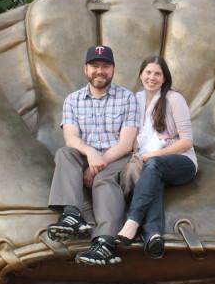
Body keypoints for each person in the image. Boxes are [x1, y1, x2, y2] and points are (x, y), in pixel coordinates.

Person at [47, 45, 139, 266]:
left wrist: (98, 164)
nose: (100, 70)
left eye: (105, 66)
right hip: (85, 155)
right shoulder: (73, 100)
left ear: (113, 69)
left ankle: (105, 241)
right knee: (64, 153)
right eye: (94, 66)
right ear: (85, 69)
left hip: (117, 158)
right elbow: (71, 138)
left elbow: (126, 143)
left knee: (103, 178)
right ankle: (71, 214)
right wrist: (90, 154)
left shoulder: (127, 98)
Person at [116, 56, 197, 259]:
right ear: (141, 74)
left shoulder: (173, 99)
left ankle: (132, 221)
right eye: (148, 72)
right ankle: (153, 235)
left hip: (181, 161)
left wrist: (154, 154)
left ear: (164, 78)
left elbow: (187, 142)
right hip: (150, 164)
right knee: (152, 178)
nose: (152, 77)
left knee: (153, 166)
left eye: (157, 73)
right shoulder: (135, 100)